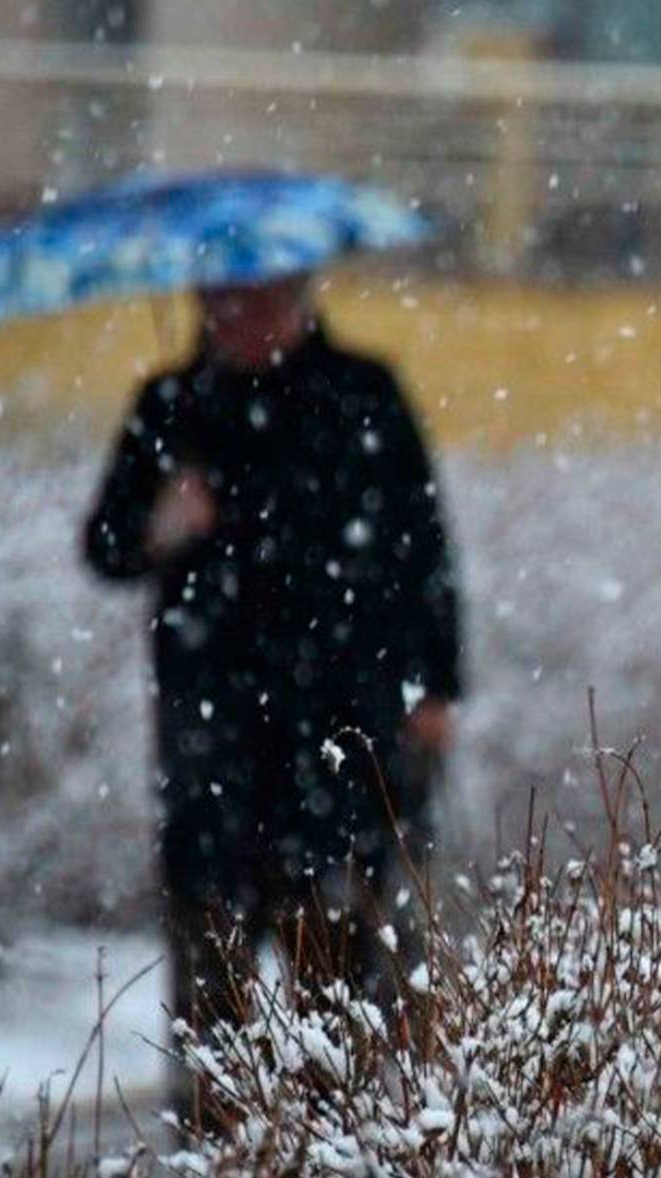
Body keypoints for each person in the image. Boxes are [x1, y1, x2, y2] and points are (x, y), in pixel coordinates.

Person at [81, 274, 464, 1102]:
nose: (241, 319)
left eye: (261, 300)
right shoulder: (172, 407)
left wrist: (437, 687)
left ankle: (346, 1144)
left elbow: (422, 549)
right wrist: (162, 522)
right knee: (211, 1000)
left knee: (351, 1003)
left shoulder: (362, 395)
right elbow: (106, 544)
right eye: (223, 301)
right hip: (212, 743)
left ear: (302, 298)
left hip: (345, 740)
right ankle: (214, 1145)